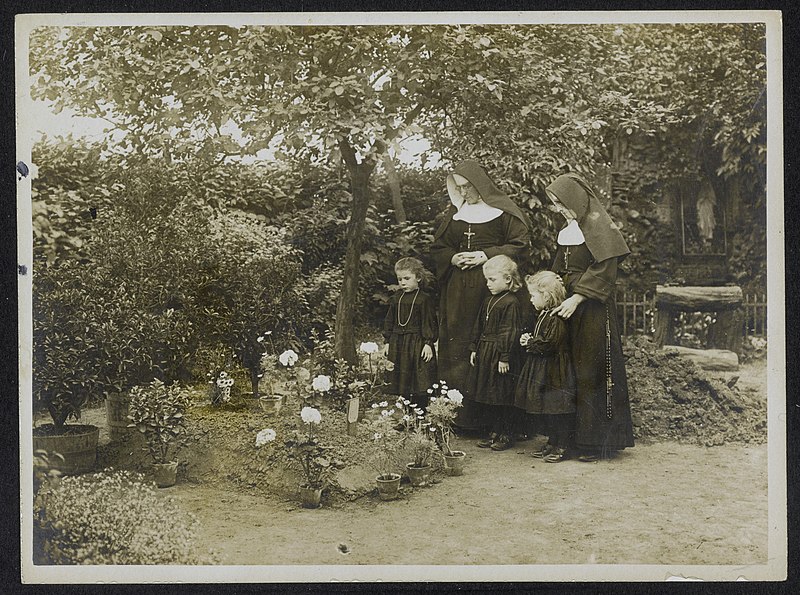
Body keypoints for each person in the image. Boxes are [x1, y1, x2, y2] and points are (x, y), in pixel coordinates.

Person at [430, 160, 530, 429]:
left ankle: (492, 422)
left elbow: (520, 245)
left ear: (480, 185)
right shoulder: (455, 217)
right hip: (458, 294)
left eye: (467, 187)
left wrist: (485, 255)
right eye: (459, 188)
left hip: (492, 292)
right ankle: (459, 419)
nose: (463, 194)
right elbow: (439, 248)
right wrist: (453, 258)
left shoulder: (503, 214)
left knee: (491, 347)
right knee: (459, 347)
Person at [545, 173, 634, 461]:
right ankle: (565, 440)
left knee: (591, 368)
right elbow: (559, 269)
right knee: (566, 368)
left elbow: (605, 270)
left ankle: (593, 443)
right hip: (568, 303)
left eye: (561, 202)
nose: (558, 208)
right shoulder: (568, 229)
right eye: (555, 204)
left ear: (575, 199)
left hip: (592, 307)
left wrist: (577, 297)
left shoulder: (599, 226)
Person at [514, 271, 577, 463]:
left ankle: (562, 445)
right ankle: (553, 441)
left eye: (534, 295)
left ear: (547, 296)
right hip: (544, 367)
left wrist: (531, 343)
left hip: (555, 370)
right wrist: (529, 339)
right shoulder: (543, 315)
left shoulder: (556, 318)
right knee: (549, 408)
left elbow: (549, 344)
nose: (531, 299)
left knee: (557, 408)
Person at [468, 255, 523, 451]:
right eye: (487, 279)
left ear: (508, 279)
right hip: (486, 351)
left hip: (500, 355)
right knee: (490, 393)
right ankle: (494, 430)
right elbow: (479, 326)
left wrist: (505, 356)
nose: (488, 283)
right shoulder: (489, 300)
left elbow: (509, 331)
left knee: (502, 393)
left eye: (492, 279)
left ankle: (506, 434)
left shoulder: (511, 302)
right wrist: (474, 348)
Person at [382, 257, 438, 411]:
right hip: (399, 343)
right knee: (403, 379)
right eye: (400, 279)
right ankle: (407, 416)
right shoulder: (396, 298)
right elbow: (390, 320)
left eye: (407, 278)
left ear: (418, 278)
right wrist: (387, 341)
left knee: (419, 380)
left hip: (417, 343)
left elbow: (429, 322)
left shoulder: (424, 299)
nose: (403, 282)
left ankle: (420, 415)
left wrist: (428, 343)